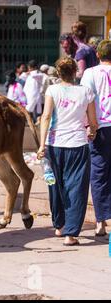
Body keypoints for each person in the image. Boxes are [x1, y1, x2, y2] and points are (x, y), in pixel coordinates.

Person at [37, 57, 98, 246]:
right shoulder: (86, 92)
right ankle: (70, 235)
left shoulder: (52, 90)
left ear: (58, 72)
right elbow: (93, 121)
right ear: (75, 72)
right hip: (78, 146)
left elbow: (46, 116)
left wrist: (41, 144)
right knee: (76, 189)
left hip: (54, 146)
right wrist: (92, 132)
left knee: (54, 185)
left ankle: (59, 226)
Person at [80, 40, 111, 237]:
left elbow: (86, 100)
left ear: (98, 55)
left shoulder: (90, 73)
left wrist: (89, 126)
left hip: (99, 127)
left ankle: (101, 222)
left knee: (99, 174)